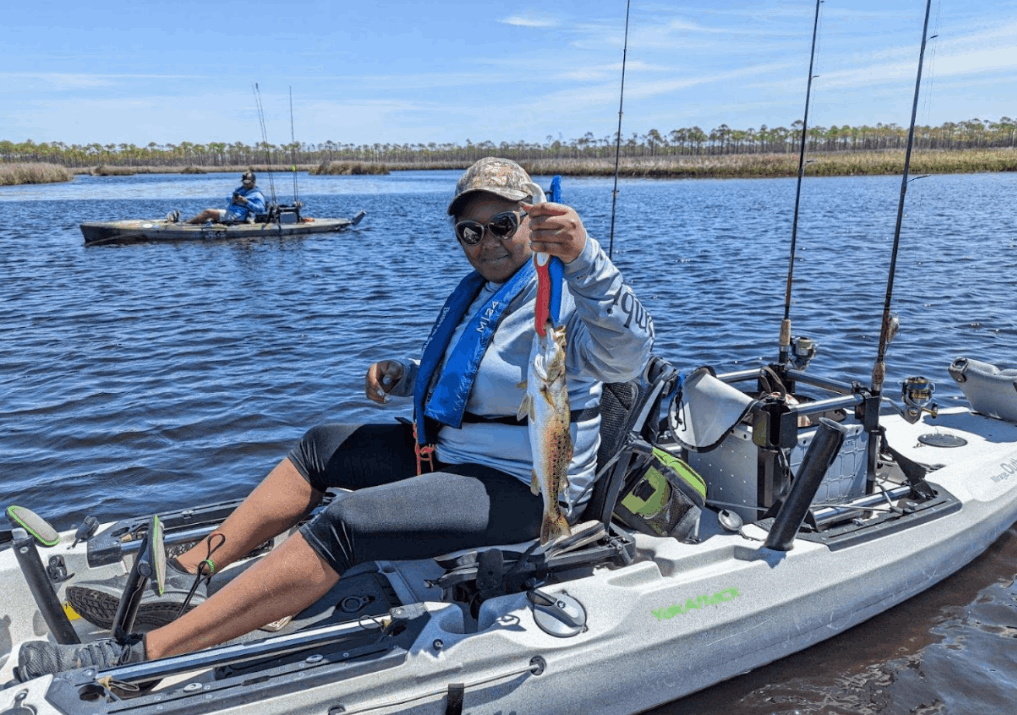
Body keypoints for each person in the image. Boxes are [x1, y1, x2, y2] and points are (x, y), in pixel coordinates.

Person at [17, 157, 655, 681]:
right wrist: (405, 373)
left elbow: (629, 353)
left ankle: (143, 658)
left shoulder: (566, 293)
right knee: (322, 446)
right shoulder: (487, 292)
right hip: (453, 456)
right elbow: (472, 373)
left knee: (347, 521)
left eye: (501, 223)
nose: (485, 241)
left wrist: (585, 257)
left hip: (527, 491)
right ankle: (188, 577)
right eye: (470, 230)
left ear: (534, 221)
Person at [169, 171, 267, 225]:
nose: (245, 185)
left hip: (237, 216)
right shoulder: (240, 189)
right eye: (243, 182)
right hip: (229, 213)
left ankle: (186, 224)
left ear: (253, 182)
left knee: (208, 212)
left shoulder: (257, 195)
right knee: (208, 215)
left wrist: (246, 202)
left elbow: (261, 210)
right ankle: (187, 221)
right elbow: (228, 197)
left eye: (247, 183)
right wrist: (233, 199)